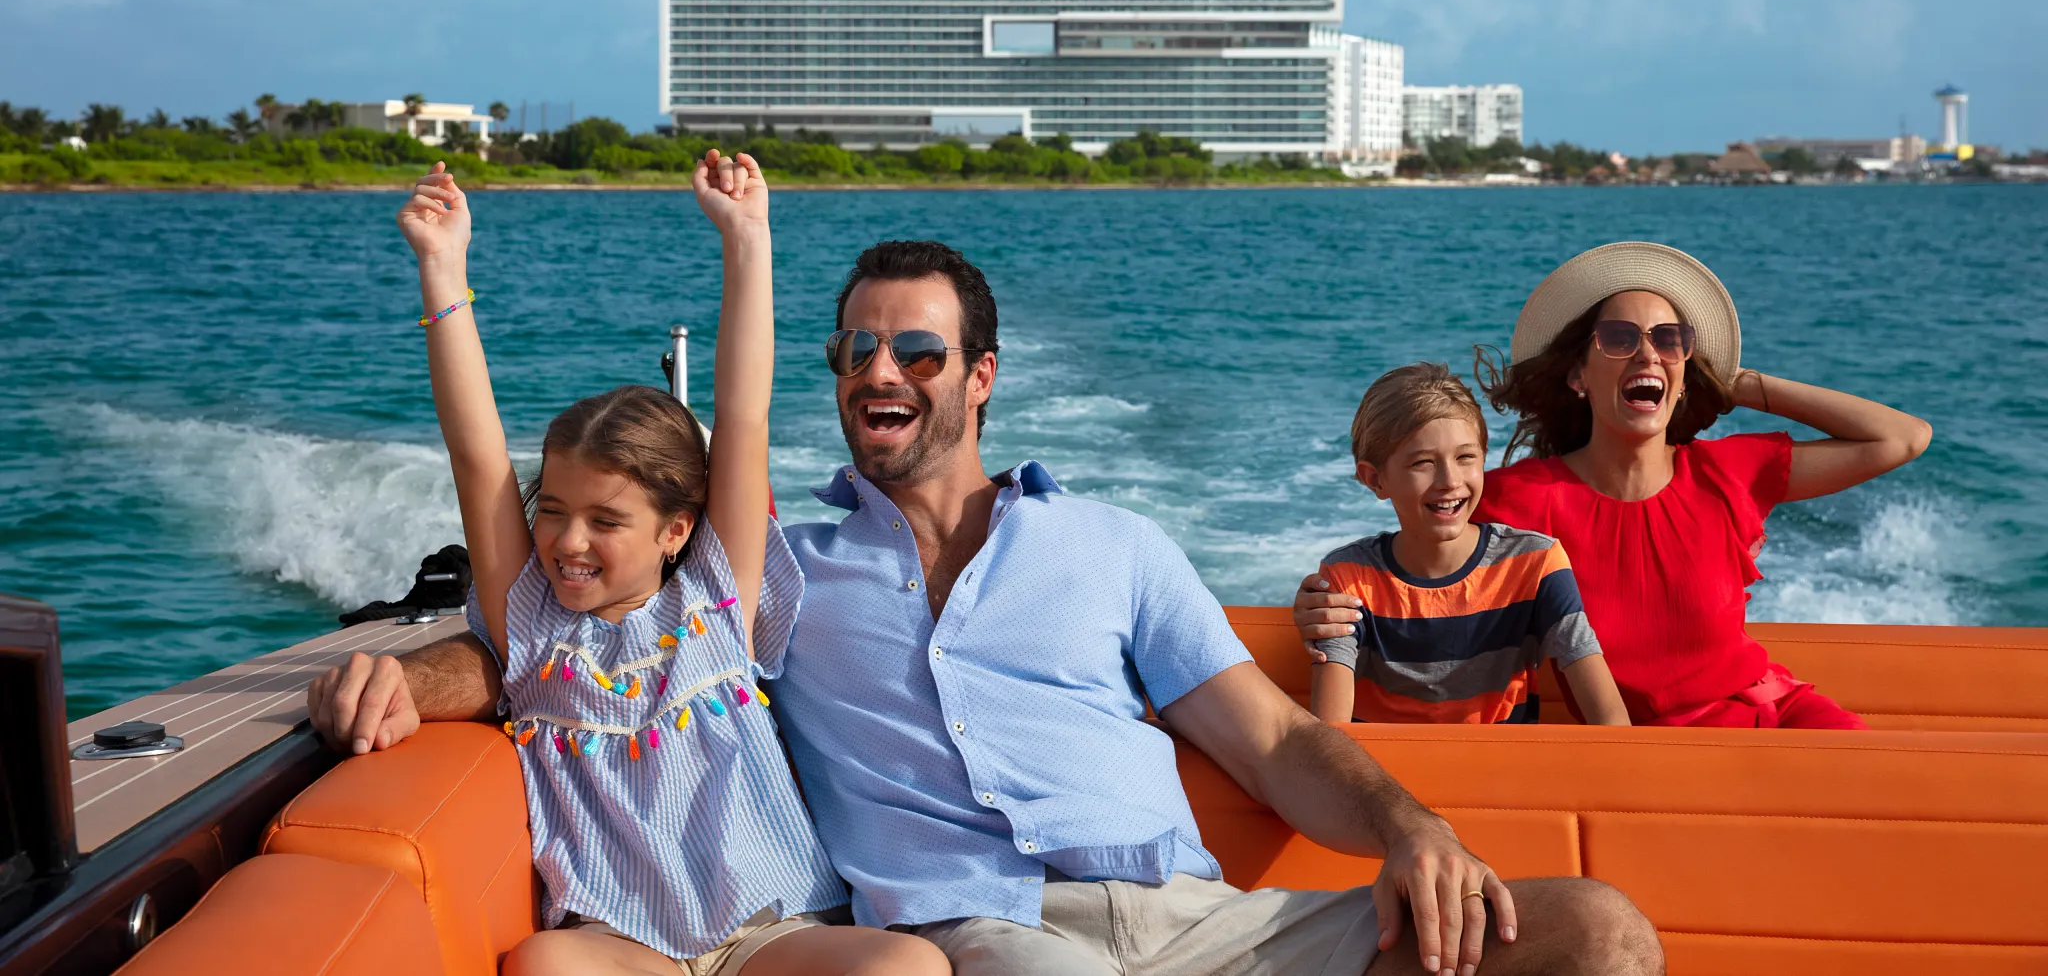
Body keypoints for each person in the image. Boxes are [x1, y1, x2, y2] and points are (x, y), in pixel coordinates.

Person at [313, 238, 1665, 976]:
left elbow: (1274, 743)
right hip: (987, 940)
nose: (879, 371)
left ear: (980, 377)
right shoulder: (779, 570)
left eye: (916, 350)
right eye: (856, 349)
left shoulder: (1114, 545)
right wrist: (419, 680)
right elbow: (584, 640)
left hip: (1203, 924)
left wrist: (1414, 829)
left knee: (1596, 934)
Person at [387, 157, 944, 976]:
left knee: (909, 966)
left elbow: (742, 414)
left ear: (676, 529)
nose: (569, 541)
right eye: (553, 510)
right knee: (545, 962)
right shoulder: (531, 622)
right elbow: (477, 454)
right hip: (624, 943)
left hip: (768, 931)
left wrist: (746, 237)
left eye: (607, 521)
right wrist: (442, 265)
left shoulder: (718, 599)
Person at [1295, 242, 1932, 731]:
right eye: (1621, 339)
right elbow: (1417, 540)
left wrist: (1736, 383)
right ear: (1578, 375)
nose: (1648, 354)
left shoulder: (1727, 473)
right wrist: (1317, 604)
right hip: (1627, 749)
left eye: (1669, 340)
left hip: (1771, 719)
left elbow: (1902, 438)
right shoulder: (1519, 499)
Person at [1311, 363, 1629, 728]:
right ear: (1375, 479)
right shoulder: (1348, 577)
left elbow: (1609, 717)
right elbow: (1330, 732)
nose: (1450, 480)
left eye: (1465, 457)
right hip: (1378, 766)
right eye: (1422, 462)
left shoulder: (1536, 563)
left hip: (1503, 765)